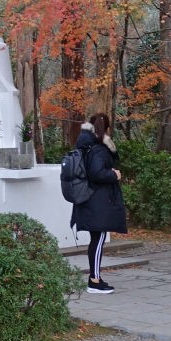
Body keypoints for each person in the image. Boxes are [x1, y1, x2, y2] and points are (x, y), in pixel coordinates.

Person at [71, 112, 127, 293]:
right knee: (99, 238)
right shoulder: (99, 149)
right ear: (107, 128)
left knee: (97, 239)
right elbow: (97, 173)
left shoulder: (87, 146)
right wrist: (113, 174)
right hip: (97, 201)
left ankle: (94, 278)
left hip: (90, 200)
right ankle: (94, 281)